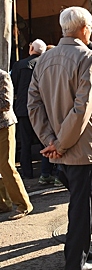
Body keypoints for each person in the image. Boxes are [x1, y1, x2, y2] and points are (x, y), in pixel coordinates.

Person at [28, 6, 92, 270]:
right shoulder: (90, 58)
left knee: (82, 199)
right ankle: (75, 262)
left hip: (59, 144)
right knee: (82, 206)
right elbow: (83, 108)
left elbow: (33, 106)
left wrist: (50, 140)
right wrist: (60, 143)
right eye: (91, 25)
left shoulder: (43, 60)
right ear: (84, 28)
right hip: (81, 145)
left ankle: (84, 250)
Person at [10, 39, 48, 180]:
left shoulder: (19, 65)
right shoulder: (46, 64)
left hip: (23, 108)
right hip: (42, 109)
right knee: (45, 140)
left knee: (25, 142)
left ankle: (27, 173)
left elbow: (12, 85)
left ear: (31, 49)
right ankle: (46, 172)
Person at [0, 68, 33, 220]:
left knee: (6, 165)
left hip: (4, 125)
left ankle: (23, 204)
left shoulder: (3, 75)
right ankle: (3, 204)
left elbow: (6, 103)